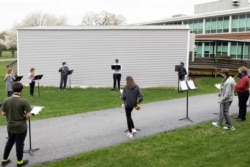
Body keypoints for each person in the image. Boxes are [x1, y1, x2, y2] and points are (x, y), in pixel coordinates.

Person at [1, 82, 31, 167]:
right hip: (21, 126)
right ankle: (19, 162)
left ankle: (4, 159)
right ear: (21, 90)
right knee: (19, 144)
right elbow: (28, 115)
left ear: (12, 89)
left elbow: (3, 113)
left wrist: (11, 114)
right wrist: (23, 116)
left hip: (10, 125)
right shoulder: (24, 101)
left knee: (9, 142)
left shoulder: (6, 100)